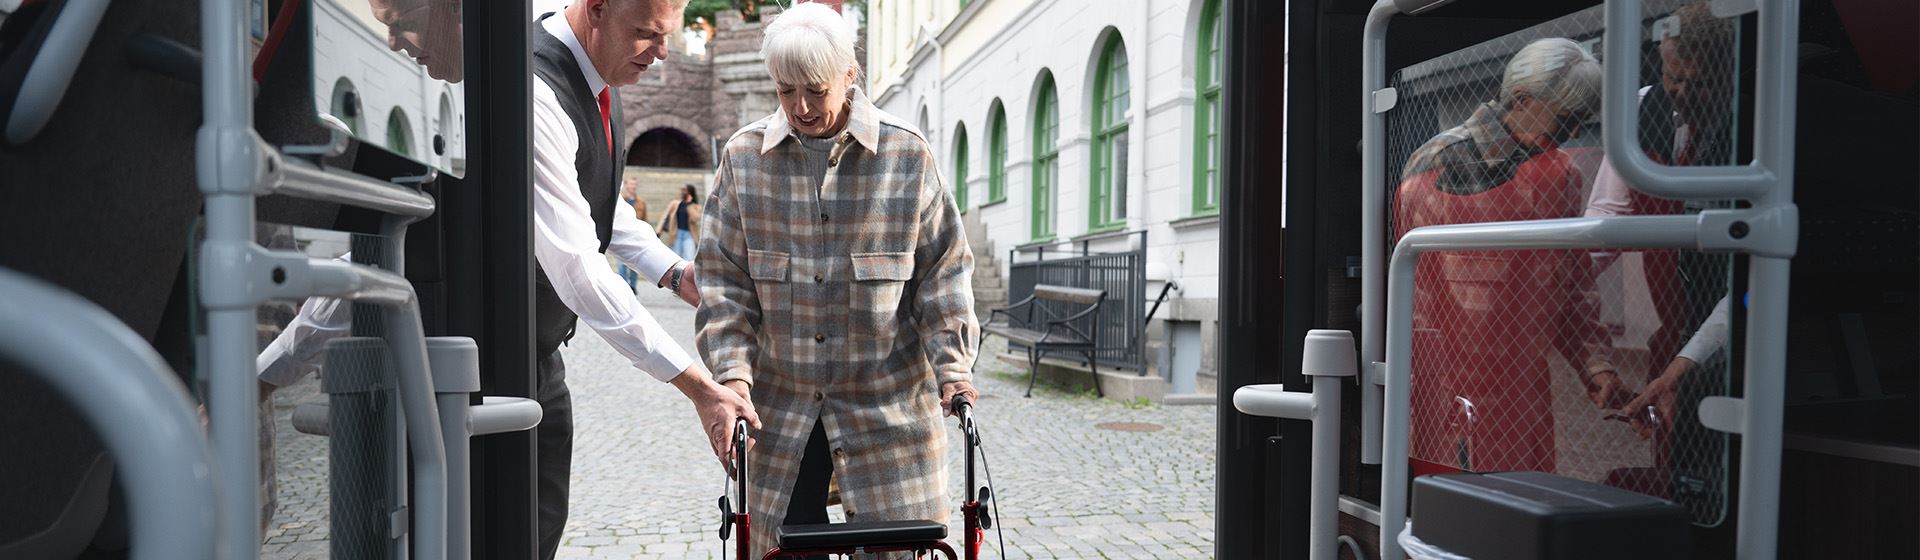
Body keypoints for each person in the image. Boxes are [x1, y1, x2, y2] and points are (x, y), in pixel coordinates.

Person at [256, 2, 762, 558]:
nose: (663, 53)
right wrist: (698, 386)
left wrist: (670, 271)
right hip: (467, 373)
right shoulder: (531, 89)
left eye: (667, 36)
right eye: (646, 34)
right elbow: (575, 266)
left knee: (537, 529)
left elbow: (593, 198)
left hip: (534, 363)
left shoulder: (593, 72)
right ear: (596, 9)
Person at [694, 4, 980, 558]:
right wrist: (732, 374)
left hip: (888, 407)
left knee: (901, 549)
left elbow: (943, 274)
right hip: (779, 411)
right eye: (785, 91)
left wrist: (954, 368)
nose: (800, 107)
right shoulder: (743, 159)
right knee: (781, 549)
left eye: (816, 90)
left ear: (850, 75)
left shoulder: (905, 157)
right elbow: (724, 285)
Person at [1394, 37, 1621, 474]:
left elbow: (1572, 283)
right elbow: (1416, 296)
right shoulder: (1439, 164)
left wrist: (1595, 364)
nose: (1571, 134)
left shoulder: (1560, 174)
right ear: (1521, 99)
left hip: (1521, 388)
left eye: (1578, 121)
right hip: (1450, 387)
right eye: (1565, 119)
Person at [1584, 2, 1738, 442]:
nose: (1683, 93)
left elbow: (1748, 287)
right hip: (1669, 326)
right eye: (1674, 77)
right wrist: (1559, 288)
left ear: (1732, 73)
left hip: (1733, 341)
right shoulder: (1640, 110)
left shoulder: (1754, 131)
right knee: (1665, 446)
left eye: (1702, 83)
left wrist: (1684, 366)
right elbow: (1606, 221)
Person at [618, 177, 650, 290]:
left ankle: (632, 286)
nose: (633, 186)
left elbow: (645, 219)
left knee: (634, 264)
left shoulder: (641, 202)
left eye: (635, 184)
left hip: (635, 235)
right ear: (626, 185)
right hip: (621, 234)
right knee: (621, 264)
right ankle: (623, 287)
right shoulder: (620, 201)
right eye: (631, 184)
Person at [658, 184, 701, 260]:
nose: (681, 192)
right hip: (676, 234)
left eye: (684, 190)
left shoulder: (695, 206)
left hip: (689, 235)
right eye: (681, 190)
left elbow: (695, 219)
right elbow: (665, 216)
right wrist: (658, 231)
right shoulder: (675, 203)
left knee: (689, 258)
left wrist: (689, 204)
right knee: (676, 258)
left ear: (689, 192)